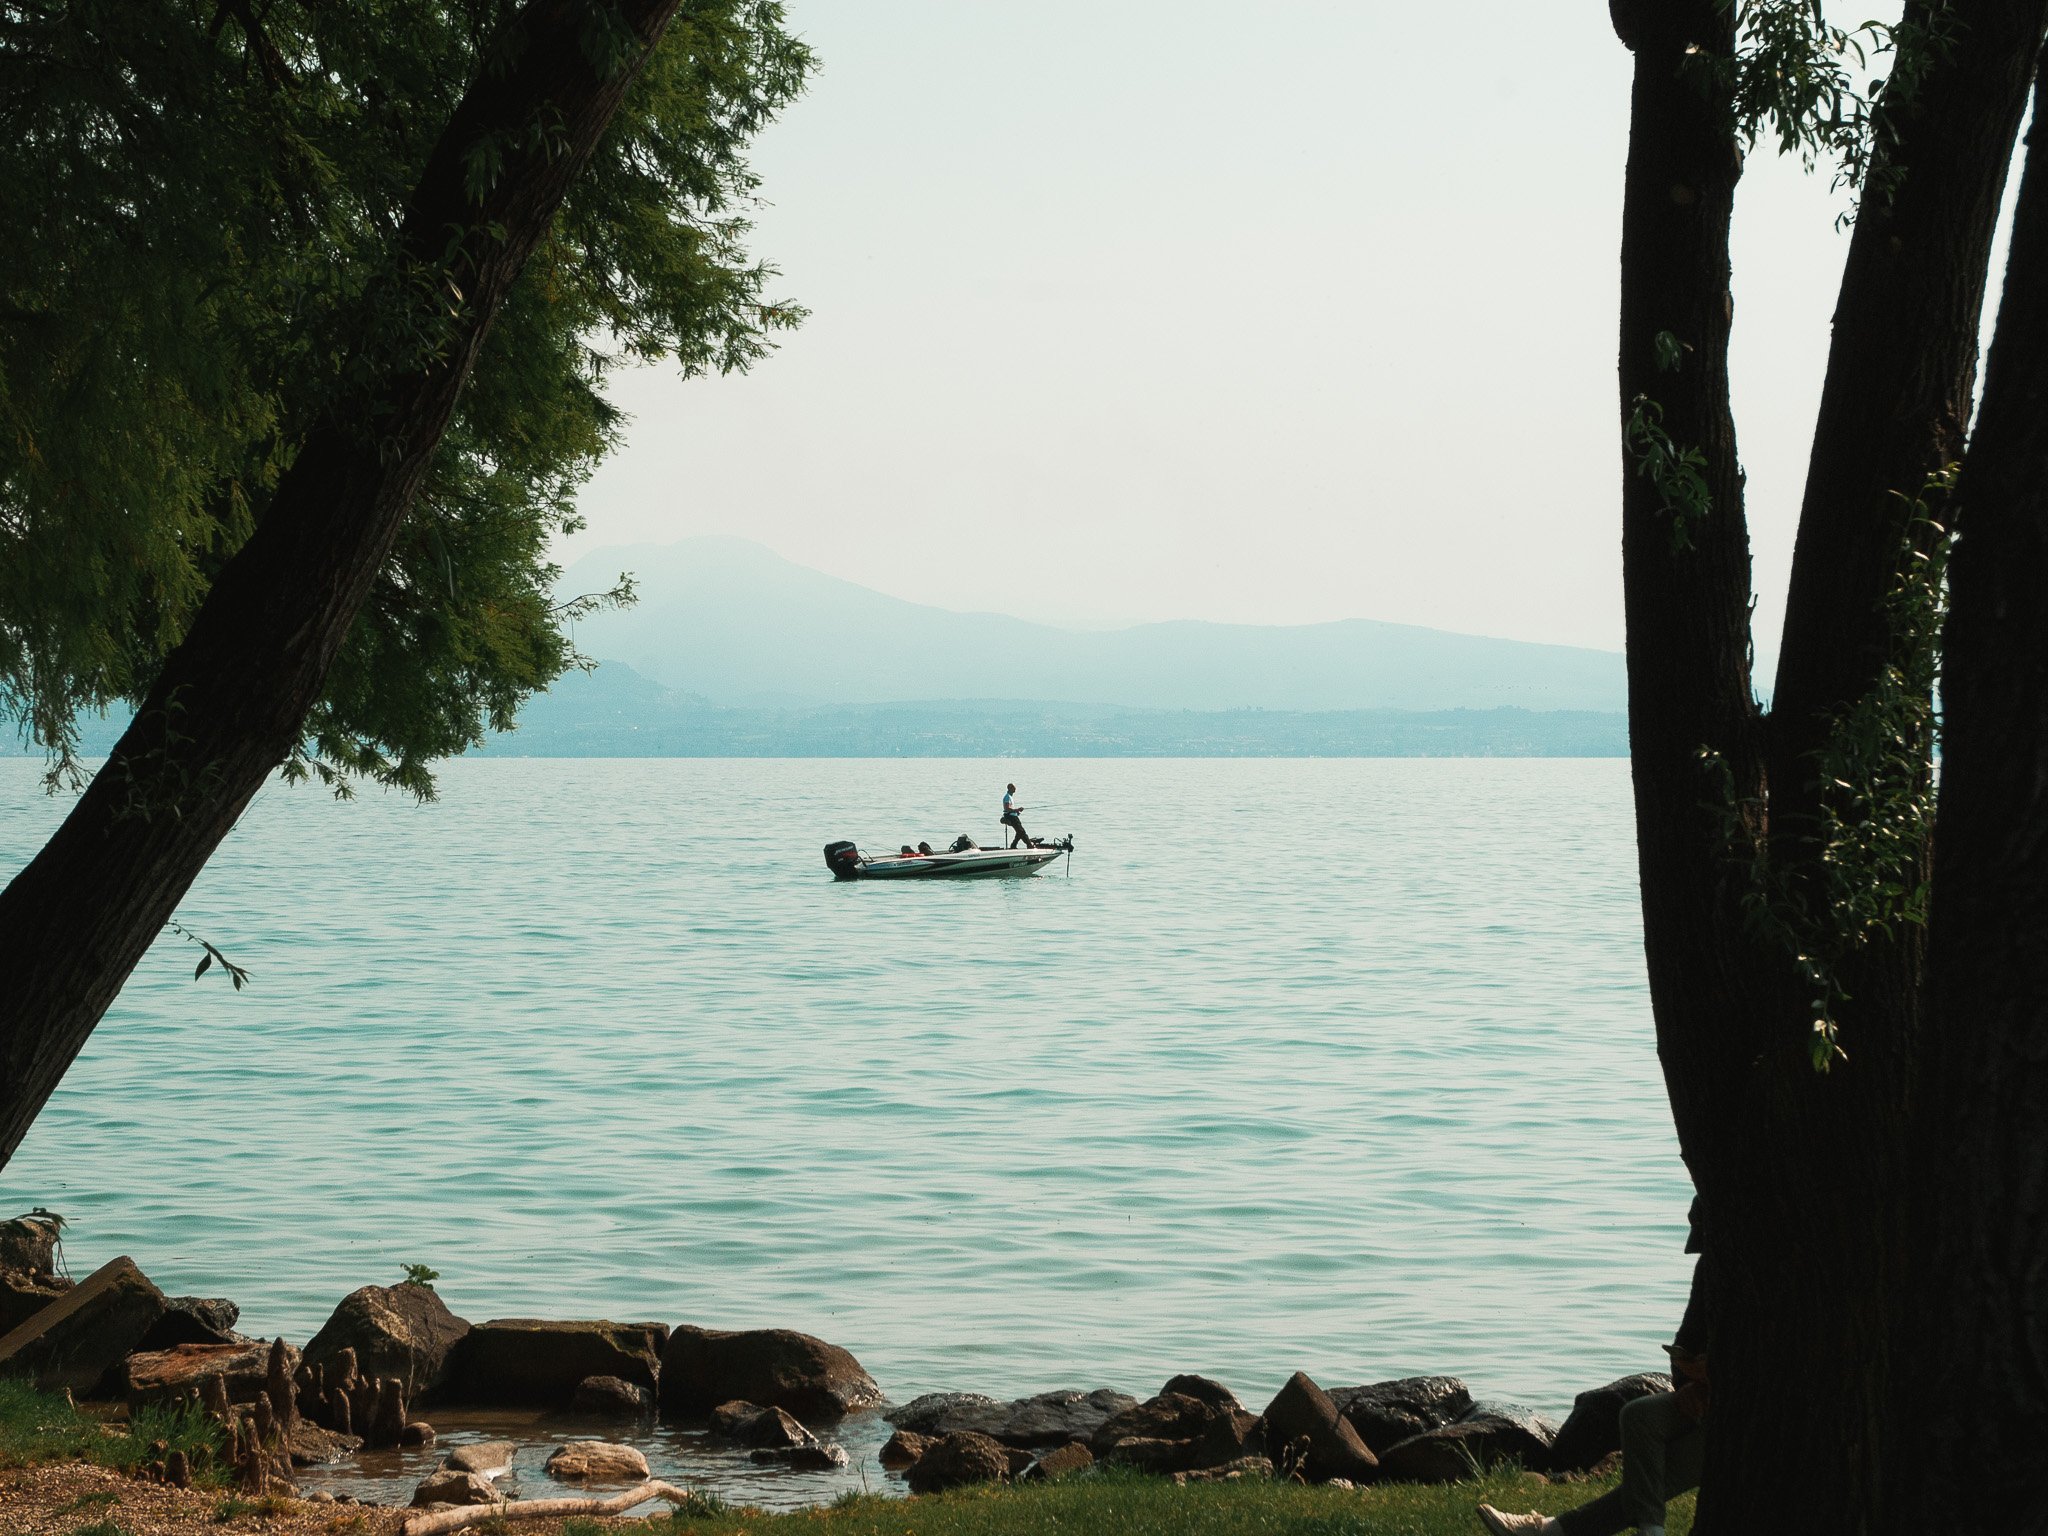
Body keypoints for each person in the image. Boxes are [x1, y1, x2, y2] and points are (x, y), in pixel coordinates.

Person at [1477, 1202, 1710, 1536]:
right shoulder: (1709, 1271)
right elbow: (1686, 1340)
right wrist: (1689, 1383)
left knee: (1656, 1478)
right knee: (1638, 1415)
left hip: (1753, 1411)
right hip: (1706, 1398)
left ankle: (1551, 1530)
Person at [1000, 782, 1031, 848]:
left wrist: (1017, 812)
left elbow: (1011, 808)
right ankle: (1029, 845)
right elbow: (1007, 808)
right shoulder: (1007, 797)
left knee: (1019, 831)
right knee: (1021, 832)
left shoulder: (1010, 797)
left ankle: (1013, 845)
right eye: (1014, 788)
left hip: (1013, 816)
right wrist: (1017, 810)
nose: (1015, 789)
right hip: (1010, 817)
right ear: (1010, 788)